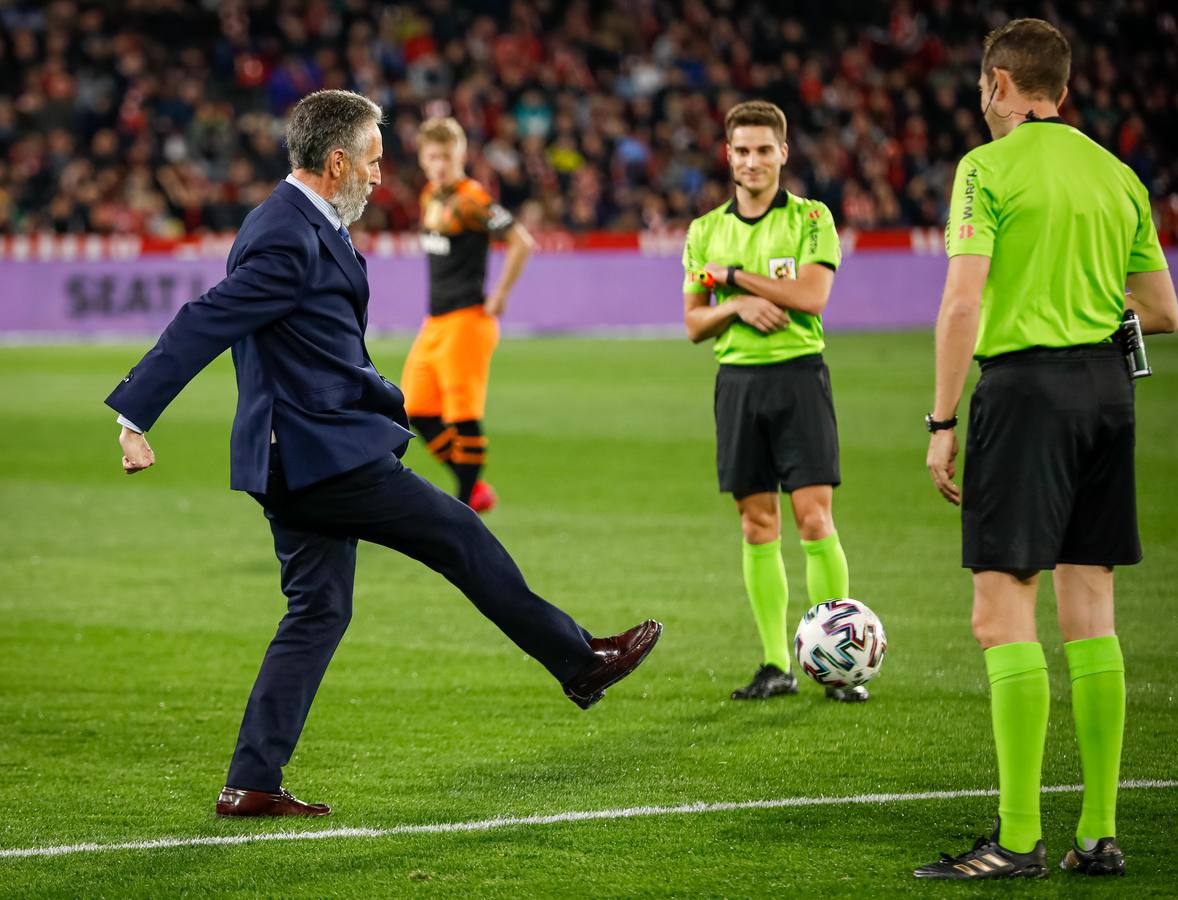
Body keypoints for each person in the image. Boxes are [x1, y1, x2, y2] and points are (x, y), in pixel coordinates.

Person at [105, 89, 662, 818]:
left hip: (301, 453)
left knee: (318, 610)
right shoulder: (287, 233)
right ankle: (579, 661)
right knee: (458, 533)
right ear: (336, 162)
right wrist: (134, 414)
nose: (379, 174)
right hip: (317, 455)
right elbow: (206, 318)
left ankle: (252, 781)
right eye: (371, 160)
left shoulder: (301, 222)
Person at [914, 19, 1178, 879]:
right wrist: (1090, 310)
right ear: (1059, 90)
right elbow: (1165, 311)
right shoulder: (1117, 173)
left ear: (998, 83)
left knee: (1001, 615)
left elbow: (961, 304)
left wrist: (943, 422)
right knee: (1091, 613)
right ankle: (1098, 834)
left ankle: (1018, 839)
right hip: (1107, 392)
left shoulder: (985, 169)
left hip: (1024, 395)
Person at [681, 100, 861, 703]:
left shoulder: (812, 218)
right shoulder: (703, 229)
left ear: (783, 153)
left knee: (814, 518)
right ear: (728, 156)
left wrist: (730, 278)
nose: (752, 161)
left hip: (799, 377)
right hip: (738, 383)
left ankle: (837, 666)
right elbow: (693, 323)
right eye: (742, 150)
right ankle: (775, 663)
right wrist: (734, 308)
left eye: (764, 150)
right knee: (757, 524)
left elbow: (811, 296)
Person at [400, 116, 534, 513]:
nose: (440, 164)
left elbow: (521, 241)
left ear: (460, 155)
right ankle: (472, 488)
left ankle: (463, 506)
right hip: (435, 321)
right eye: (433, 157)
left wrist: (501, 294)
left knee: (463, 416)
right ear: (423, 159)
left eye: (446, 156)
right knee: (415, 409)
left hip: (466, 320)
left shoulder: (471, 198)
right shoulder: (430, 196)